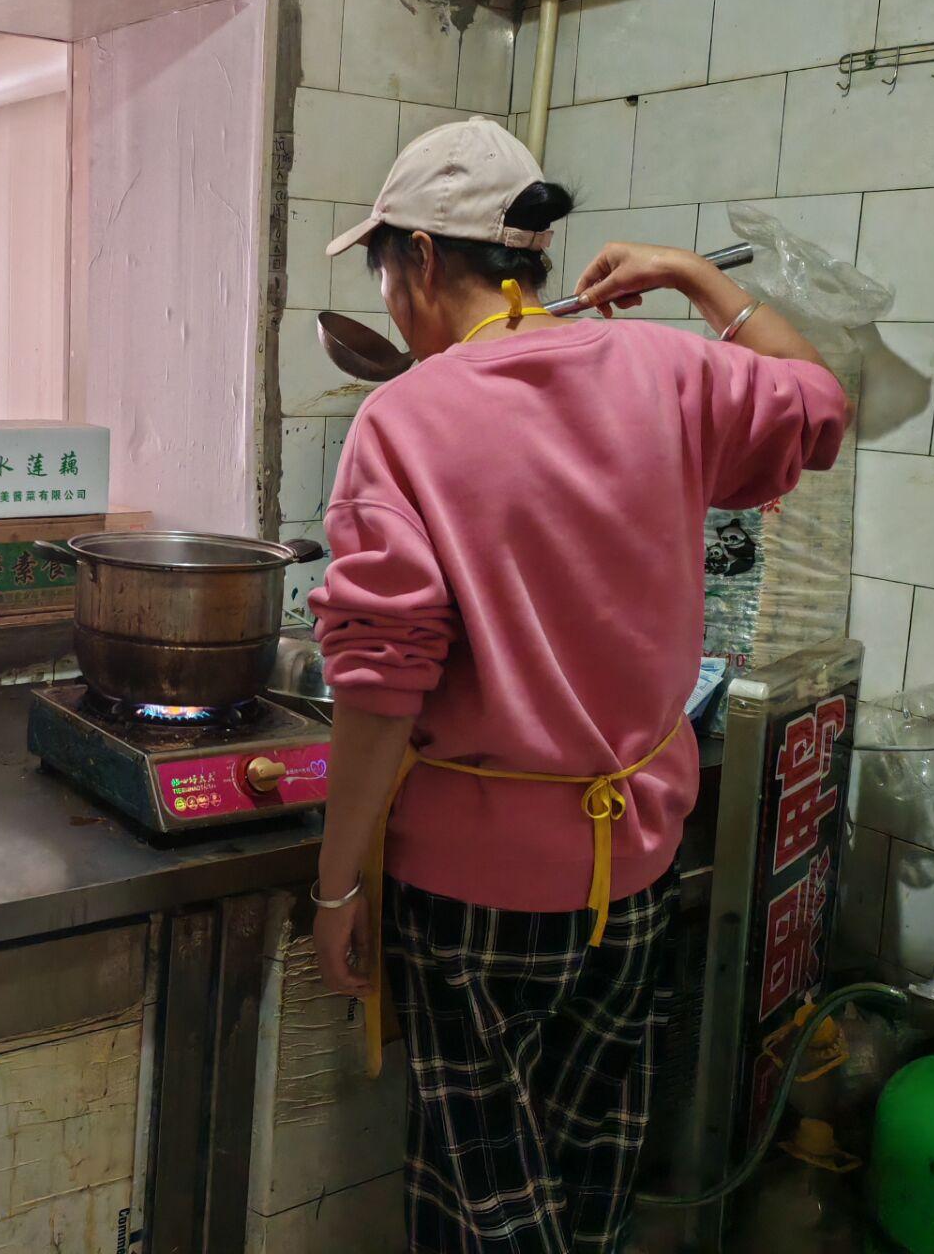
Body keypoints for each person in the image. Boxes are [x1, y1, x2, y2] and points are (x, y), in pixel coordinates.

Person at [307, 117, 848, 1253]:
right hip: (635, 876)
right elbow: (819, 400)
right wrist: (694, 279)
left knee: (484, 1202)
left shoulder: (403, 420)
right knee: (591, 1179)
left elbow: (381, 683)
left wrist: (338, 884)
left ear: (418, 260)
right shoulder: (673, 371)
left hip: (473, 896)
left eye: (385, 273)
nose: (391, 307)